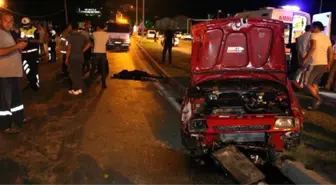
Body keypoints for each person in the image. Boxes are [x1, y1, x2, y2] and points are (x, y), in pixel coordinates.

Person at [0, 11, 28, 133]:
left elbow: (9, 49)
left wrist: (18, 47)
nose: (9, 23)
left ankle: (19, 119)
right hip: (4, 74)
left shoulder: (9, 33)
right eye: (6, 20)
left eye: (11, 21)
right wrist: (16, 47)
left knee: (16, 99)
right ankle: (6, 125)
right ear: (0, 21)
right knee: (5, 102)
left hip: (13, 73)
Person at [302, 21, 333, 110]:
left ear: (316, 28)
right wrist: (329, 64)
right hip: (323, 63)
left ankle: (319, 98)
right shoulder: (326, 38)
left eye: (312, 27)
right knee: (315, 84)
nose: (311, 29)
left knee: (307, 83)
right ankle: (314, 105)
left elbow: (313, 47)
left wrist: (305, 59)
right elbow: (330, 52)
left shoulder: (313, 35)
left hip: (314, 63)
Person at [66, 22, 91, 95]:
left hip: (73, 57)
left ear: (72, 28)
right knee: (79, 73)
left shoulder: (70, 37)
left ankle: (77, 89)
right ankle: (78, 89)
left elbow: (69, 49)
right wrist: (82, 51)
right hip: (80, 57)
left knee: (73, 74)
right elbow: (89, 44)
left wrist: (66, 59)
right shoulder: (82, 36)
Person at [20, 17, 41, 91]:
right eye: (23, 25)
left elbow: (38, 41)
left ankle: (36, 84)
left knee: (34, 70)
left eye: (27, 25)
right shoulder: (20, 30)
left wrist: (28, 40)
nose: (25, 27)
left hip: (33, 53)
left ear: (30, 24)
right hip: (24, 54)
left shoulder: (35, 30)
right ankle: (31, 83)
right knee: (27, 70)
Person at [89, 22, 109, 89]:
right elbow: (106, 43)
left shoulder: (94, 33)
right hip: (103, 54)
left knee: (93, 69)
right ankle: (104, 84)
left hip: (96, 53)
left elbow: (91, 39)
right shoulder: (107, 34)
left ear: (98, 27)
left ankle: (89, 83)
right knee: (103, 70)